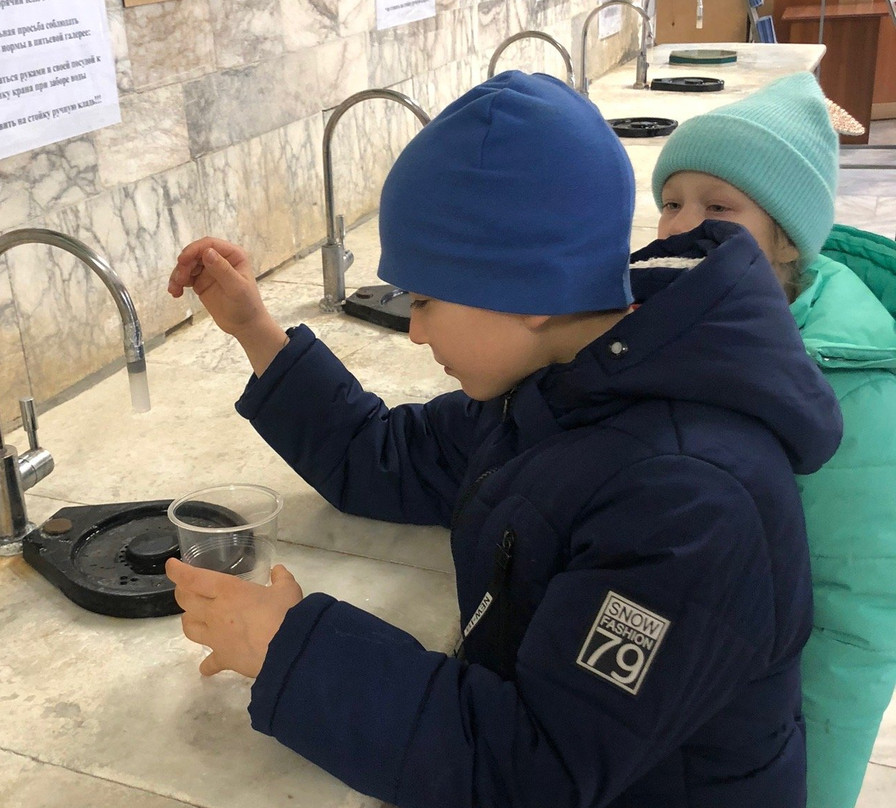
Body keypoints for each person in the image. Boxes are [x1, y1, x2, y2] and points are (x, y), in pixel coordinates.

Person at [165, 71, 843, 807]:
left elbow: (534, 770)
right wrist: (255, 332)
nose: (416, 329)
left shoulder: (692, 504)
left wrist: (288, 650)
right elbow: (383, 458)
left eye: (425, 299)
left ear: (529, 289)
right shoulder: (563, 378)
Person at [650, 71, 896, 808]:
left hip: (765, 745)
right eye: (670, 201)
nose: (681, 224)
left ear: (786, 240)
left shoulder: (854, 388)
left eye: (719, 206)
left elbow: (856, 619)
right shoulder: (677, 316)